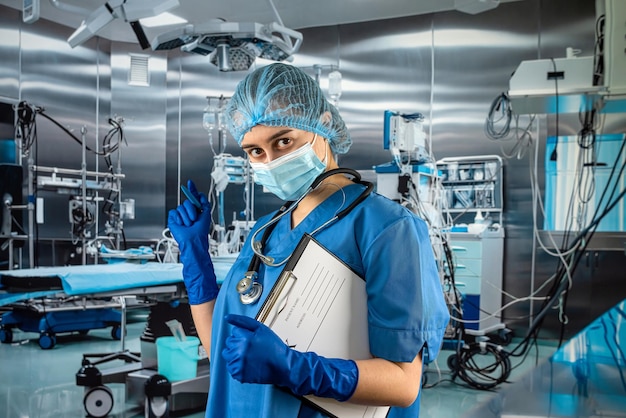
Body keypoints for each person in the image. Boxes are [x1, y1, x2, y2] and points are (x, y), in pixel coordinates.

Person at [167, 63, 450, 418]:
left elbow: (402, 385)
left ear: (324, 125)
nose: (270, 161)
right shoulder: (264, 232)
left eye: (283, 141)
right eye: (255, 151)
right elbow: (223, 353)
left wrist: (295, 367)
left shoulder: (386, 228)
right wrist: (196, 261)